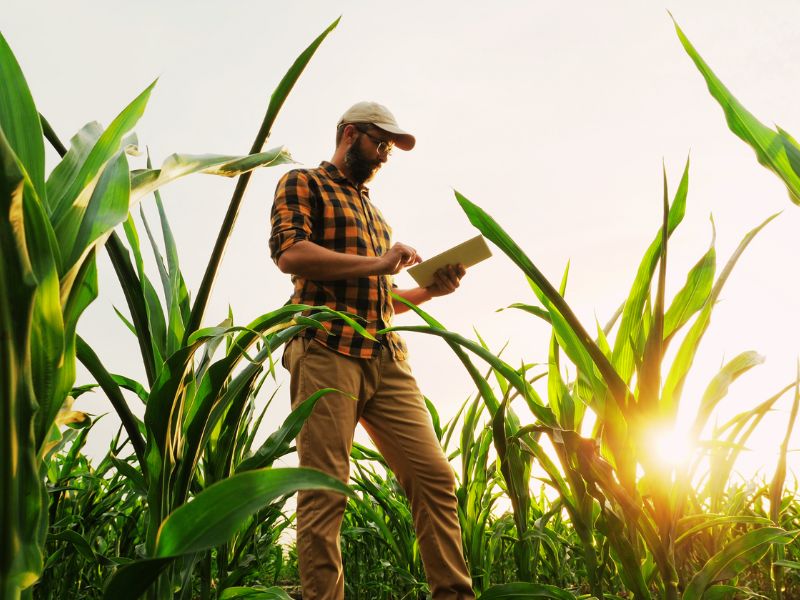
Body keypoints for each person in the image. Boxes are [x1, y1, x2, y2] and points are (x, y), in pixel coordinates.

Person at [269, 101, 475, 600]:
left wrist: (431, 290)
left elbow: (383, 295)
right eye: (378, 142)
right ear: (348, 134)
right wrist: (380, 262)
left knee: (434, 477)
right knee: (324, 487)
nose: (384, 154)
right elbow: (289, 253)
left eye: (389, 147)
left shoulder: (375, 216)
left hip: (386, 357)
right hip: (325, 348)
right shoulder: (303, 183)